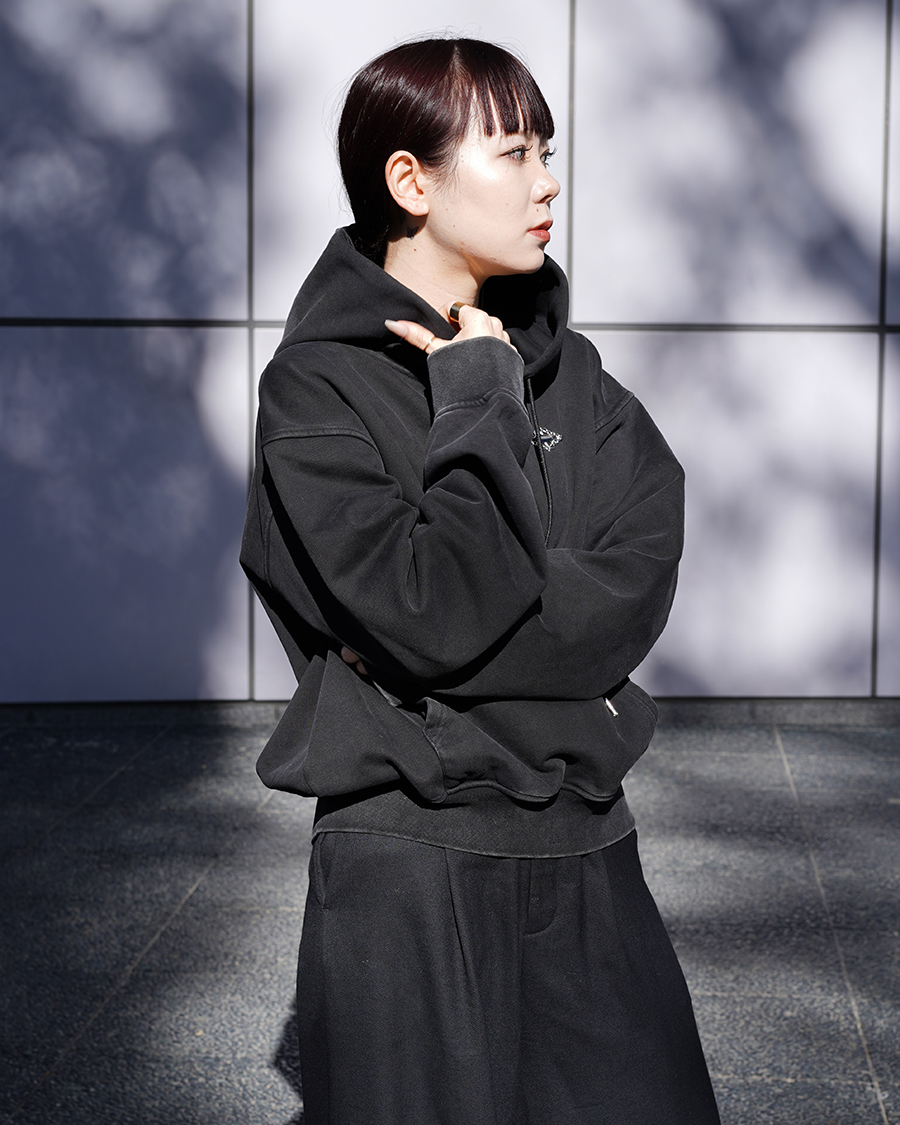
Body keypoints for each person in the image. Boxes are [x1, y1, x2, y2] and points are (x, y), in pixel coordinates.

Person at [241, 36, 720, 1125]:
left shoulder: (584, 382)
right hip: (404, 854)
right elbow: (429, 606)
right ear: (410, 181)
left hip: (589, 835)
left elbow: (632, 586)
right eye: (513, 153)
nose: (547, 182)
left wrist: (432, 655)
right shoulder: (315, 390)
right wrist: (477, 395)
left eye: (548, 151)